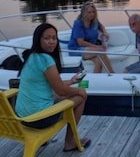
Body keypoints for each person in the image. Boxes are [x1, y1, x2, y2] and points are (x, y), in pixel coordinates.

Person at [15, 23, 90, 152]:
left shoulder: (31, 56)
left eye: (54, 38)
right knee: (80, 96)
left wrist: (71, 82)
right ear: (39, 40)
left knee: (60, 95)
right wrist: (80, 90)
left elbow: (54, 85)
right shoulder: (46, 60)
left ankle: (44, 140)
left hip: (23, 117)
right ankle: (70, 142)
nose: (51, 42)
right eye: (47, 38)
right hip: (39, 119)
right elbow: (60, 90)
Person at [68, 2, 115, 73]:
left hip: (89, 48)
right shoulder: (78, 23)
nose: (92, 14)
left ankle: (95, 82)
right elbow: (80, 42)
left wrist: (105, 33)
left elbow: (101, 26)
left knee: (98, 63)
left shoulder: (94, 21)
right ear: (84, 13)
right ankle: (112, 73)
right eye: (89, 12)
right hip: (76, 49)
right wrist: (96, 47)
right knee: (101, 51)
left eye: (93, 12)